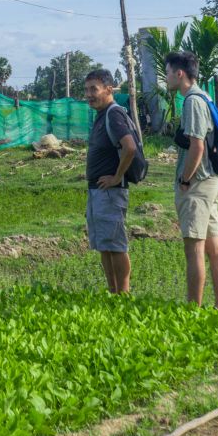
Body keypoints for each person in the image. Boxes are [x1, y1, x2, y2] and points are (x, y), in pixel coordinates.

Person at [165, 51, 218, 309]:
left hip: (197, 185)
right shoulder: (205, 96)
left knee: (194, 250)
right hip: (210, 181)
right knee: (214, 249)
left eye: (168, 72)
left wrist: (184, 179)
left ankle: (194, 310)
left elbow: (197, 146)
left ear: (179, 73)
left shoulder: (192, 101)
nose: (166, 78)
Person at [84, 69, 136, 293]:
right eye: (86, 90)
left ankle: (123, 293)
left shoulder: (114, 114)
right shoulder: (101, 114)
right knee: (104, 245)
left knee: (115, 244)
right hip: (98, 191)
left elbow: (130, 147)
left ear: (108, 89)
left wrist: (116, 177)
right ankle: (112, 292)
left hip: (110, 192)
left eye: (93, 89)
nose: (89, 94)